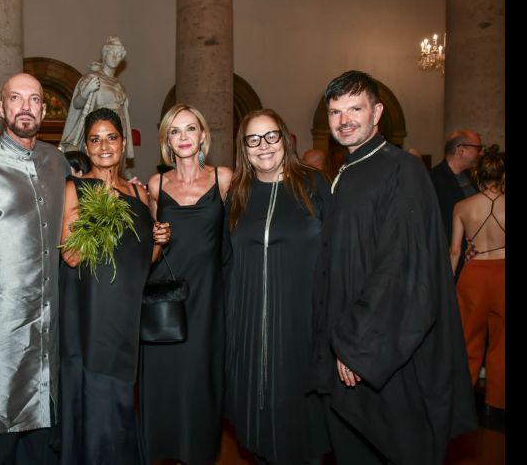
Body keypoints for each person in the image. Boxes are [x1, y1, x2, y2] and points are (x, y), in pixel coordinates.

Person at [312, 70, 477, 464]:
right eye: (336, 111)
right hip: (352, 345)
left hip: (384, 351)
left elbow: (400, 268)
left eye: (356, 108)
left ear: (377, 112)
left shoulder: (402, 169)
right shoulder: (349, 171)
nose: (345, 119)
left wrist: (356, 345)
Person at [0, 72, 70, 464]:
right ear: (0, 107)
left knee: (43, 440)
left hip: (48, 331)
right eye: (16, 98)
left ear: (43, 109)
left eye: (34, 100)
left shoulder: (58, 163)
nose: (25, 107)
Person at [59, 107, 170, 464]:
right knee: (99, 401)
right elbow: (72, 256)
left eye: (111, 137)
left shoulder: (139, 195)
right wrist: (103, 202)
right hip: (93, 316)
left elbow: (141, 261)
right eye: (95, 139)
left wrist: (158, 240)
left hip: (127, 316)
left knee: (123, 400)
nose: (104, 145)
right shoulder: (75, 188)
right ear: (87, 147)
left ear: (123, 144)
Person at [223, 109, 331, 464]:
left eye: (271, 136)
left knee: (302, 422)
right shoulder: (238, 192)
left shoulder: (314, 185)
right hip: (250, 323)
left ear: (285, 139)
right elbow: (225, 259)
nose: (263, 146)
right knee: (258, 417)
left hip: (302, 319)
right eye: (253, 139)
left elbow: (338, 254)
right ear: (244, 148)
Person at [139, 103, 231, 465]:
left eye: (190, 129)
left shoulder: (224, 178)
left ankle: (199, 453)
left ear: (203, 135)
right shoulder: (156, 184)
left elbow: (240, 234)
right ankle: (163, 451)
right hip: (167, 300)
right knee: (166, 380)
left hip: (209, 297)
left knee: (201, 380)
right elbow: (149, 251)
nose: (183, 137)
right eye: (175, 131)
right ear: (166, 141)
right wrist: (156, 238)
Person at [449, 145, 505, 412]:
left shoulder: (462, 206)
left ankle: (461, 398)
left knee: (468, 338)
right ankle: (497, 402)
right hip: (503, 275)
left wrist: (449, 283)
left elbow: (455, 251)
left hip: (474, 275)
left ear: (478, 175)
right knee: (502, 342)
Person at [60, 36, 134, 160]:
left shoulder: (119, 85)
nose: (115, 57)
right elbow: (77, 104)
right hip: (99, 127)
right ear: (104, 55)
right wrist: (86, 92)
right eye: (112, 53)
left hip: (119, 128)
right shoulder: (92, 78)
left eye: (119, 55)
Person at [430, 129, 482, 279]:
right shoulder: (433, 180)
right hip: (450, 261)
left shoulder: (471, 177)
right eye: (477, 149)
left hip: (474, 258)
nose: (480, 154)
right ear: (461, 150)